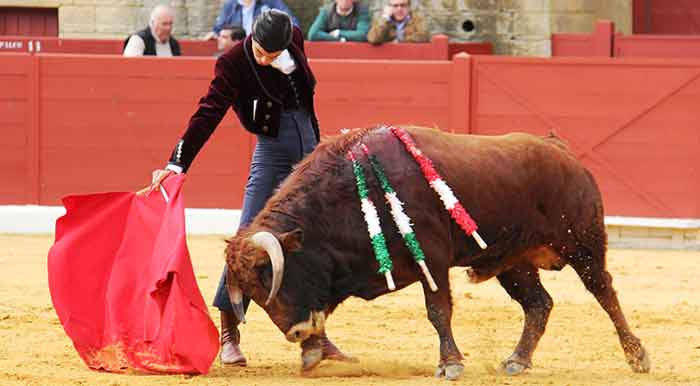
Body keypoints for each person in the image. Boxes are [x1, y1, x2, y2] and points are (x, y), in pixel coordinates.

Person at [141, 9, 349, 367]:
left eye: (273, 54)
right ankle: (229, 334)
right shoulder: (233, 62)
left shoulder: (294, 39)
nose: (265, 59)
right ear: (252, 37)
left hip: (309, 150)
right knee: (248, 239)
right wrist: (177, 162)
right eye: (261, 53)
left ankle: (315, 337)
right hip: (271, 150)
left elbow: (303, 100)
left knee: (311, 241)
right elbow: (208, 112)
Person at [202, 0, 299, 41]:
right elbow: (218, 29)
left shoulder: (270, 2)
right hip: (238, 52)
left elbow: (292, 24)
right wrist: (214, 34)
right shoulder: (231, 5)